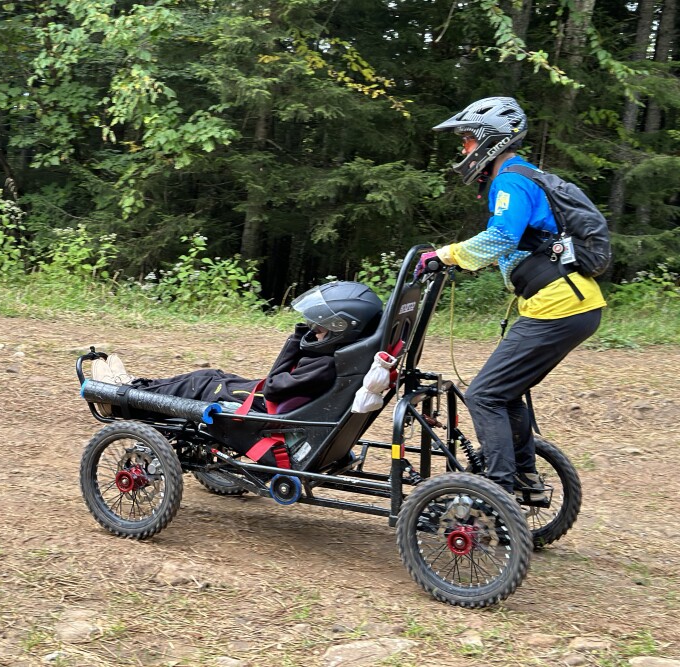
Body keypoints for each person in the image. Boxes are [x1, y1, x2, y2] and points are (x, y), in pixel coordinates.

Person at [420, 96, 606, 500]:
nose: (463, 150)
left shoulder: (510, 179)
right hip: (573, 305)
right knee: (505, 393)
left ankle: (495, 491)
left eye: (467, 141)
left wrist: (443, 254)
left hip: (559, 306)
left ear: (490, 140)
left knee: (484, 394)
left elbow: (502, 236)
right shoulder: (524, 175)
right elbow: (518, 244)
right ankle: (525, 480)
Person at [91, 281, 383, 415]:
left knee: (199, 383)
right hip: (267, 401)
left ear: (342, 330)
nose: (313, 330)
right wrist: (308, 340)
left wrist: (295, 340)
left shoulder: (324, 366)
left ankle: (120, 397)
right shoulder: (339, 359)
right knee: (211, 375)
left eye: (319, 326)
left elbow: (273, 385)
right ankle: (132, 386)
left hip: (261, 409)